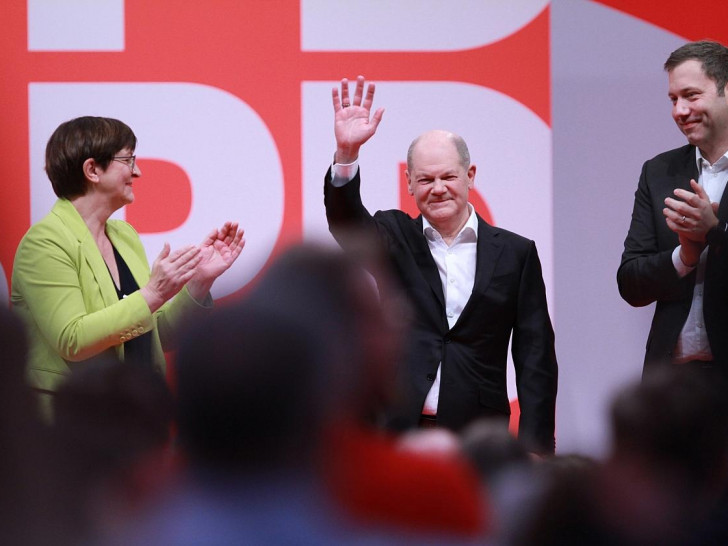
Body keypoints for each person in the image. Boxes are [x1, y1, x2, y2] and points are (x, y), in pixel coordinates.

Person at [324, 76, 558, 455]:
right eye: (425, 179)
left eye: (448, 176)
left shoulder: (516, 253)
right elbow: (346, 224)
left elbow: (535, 356)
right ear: (410, 183)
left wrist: (536, 446)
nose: (438, 188)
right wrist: (346, 153)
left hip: (479, 435)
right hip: (397, 427)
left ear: (470, 176)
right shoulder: (393, 235)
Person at [11, 116, 244, 416]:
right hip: (74, 424)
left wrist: (199, 282)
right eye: (128, 159)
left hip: (135, 418)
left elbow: (153, 333)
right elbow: (72, 339)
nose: (138, 171)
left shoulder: (124, 236)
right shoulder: (44, 242)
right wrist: (152, 294)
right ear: (92, 169)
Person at [618, 41, 728, 378]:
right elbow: (631, 282)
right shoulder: (659, 171)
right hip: (671, 383)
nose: (679, 111)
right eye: (673, 99)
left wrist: (714, 234)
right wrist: (686, 256)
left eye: (691, 95)